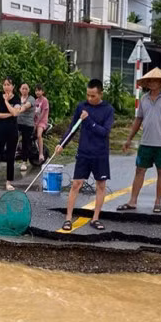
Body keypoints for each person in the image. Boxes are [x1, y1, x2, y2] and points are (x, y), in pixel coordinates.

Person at [117, 67, 161, 215]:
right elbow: (138, 120)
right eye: (149, 80)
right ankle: (132, 200)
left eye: (155, 80)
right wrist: (129, 139)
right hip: (145, 142)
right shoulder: (144, 99)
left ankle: (158, 202)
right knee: (139, 170)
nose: (151, 82)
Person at [57, 78, 114, 232]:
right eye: (88, 95)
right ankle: (68, 218)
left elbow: (104, 132)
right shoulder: (81, 107)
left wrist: (88, 120)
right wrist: (62, 144)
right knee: (76, 184)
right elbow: (73, 128)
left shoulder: (108, 109)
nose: (89, 98)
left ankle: (95, 218)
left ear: (100, 94)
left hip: (100, 153)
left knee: (100, 185)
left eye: (93, 96)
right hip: (84, 152)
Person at [17, 83, 36, 172]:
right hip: (17, 123)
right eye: (23, 88)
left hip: (27, 124)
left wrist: (19, 110)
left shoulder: (31, 99)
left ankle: (24, 162)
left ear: (28, 90)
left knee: (25, 142)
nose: (24, 90)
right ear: (20, 89)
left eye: (26, 89)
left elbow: (25, 106)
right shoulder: (17, 99)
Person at [34, 84, 50, 164]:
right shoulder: (35, 101)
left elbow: (43, 113)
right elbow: (33, 113)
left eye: (39, 90)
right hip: (35, 122)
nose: (37, 92)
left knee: (39, 135)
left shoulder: (45, 100)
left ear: (42, 91)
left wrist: (36, 123)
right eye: (36, 90)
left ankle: (41, 154)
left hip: (42, 122)